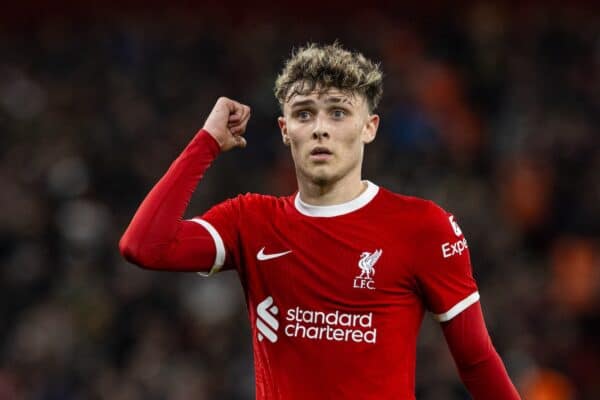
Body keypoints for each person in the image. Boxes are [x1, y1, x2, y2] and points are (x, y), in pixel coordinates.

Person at [119, 43, 521, 399]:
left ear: (369, 127)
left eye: (339, 112)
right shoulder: (252, 221)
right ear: (284, 130)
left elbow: (476, 361)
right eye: (304, 114)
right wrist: (206, 143)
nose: (321, 129)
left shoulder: (422, 226)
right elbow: (143, 246)